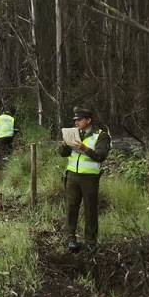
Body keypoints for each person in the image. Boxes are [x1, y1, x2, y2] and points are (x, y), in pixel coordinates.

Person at [59, 106, 111, 254]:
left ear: (88, 120)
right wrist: (64, 146)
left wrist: (84, 148)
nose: (76, 123)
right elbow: (63, 154)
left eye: (79, 120)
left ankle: (90, 242)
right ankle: (71, 239)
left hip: (89, 178)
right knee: (71, 207)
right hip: (72, 176)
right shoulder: (74, 134)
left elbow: (101, 156)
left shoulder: (101, 136)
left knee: (90, 209)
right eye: (75, 120)